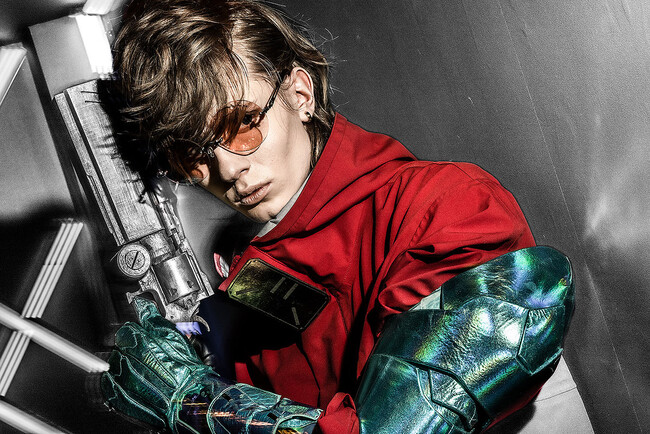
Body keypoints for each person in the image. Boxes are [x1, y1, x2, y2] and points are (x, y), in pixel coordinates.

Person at [100, 0, 582, 432]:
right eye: (193, 154)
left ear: (300, 95)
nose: (227, 169)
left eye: (242, 124)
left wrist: (195, 403)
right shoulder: (253, 273)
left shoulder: (451, 210)